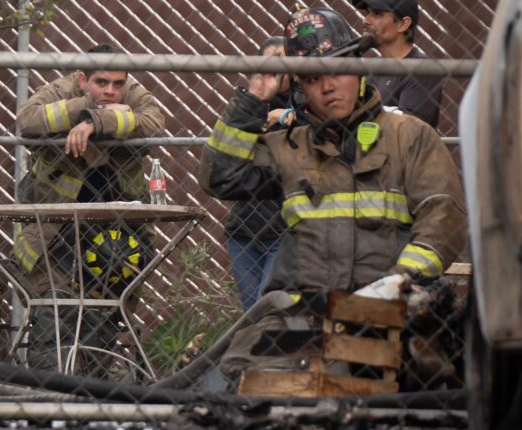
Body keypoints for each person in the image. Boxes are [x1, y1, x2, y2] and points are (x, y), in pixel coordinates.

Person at [198, 7, 466, 379]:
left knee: (390, 383)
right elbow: (220, 177)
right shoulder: (287, 147)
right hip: (305, 318)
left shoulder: (410, 136)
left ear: (358, 68)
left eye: (337, 70)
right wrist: (256, 94)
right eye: (312, 78)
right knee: (241, 379)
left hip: (390, 315)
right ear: (299, 88)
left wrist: (397, 282)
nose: (327, 87)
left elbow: (444, 219)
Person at [15, 43, 165, 377]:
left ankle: (92, 400)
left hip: (115, 232)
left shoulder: (133, 90)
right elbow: (27, 120)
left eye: (117, 84)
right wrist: (83, 108)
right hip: (55, 230)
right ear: (83, 79)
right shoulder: (61, 90)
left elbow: (154, 121)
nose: (111, 90)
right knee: (55, 314)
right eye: (101, 83)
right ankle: (48, 402)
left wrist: (96, 122)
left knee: (102, 317)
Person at [225, 36, 297, 311]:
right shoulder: (249, 104)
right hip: (244, 231)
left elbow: (312, 126)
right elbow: (226, 156)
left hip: (283, 232)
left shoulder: (303, 101)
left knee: (267, 313)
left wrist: (282, 115)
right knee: (250, 316)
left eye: (284, 59)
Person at [353, 0, 443, 128]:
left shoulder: (421, 70)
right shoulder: (372, 70)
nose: (365, 20)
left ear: (403, 24)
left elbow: (409, 129)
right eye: (367, 13)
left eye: (378, 14)